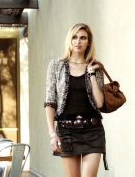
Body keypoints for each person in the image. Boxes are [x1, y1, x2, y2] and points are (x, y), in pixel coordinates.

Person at [44, 23, 107, 177]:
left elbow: (99, 103)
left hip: (93, 131)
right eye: (74, 37)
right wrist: (52, 134)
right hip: (67, 132)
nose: (78, 41)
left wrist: (92, 73)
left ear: (88, 42)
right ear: (70, 41)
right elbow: (50, 102)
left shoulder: (95, 67)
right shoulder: (56, 66)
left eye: (82, 38)